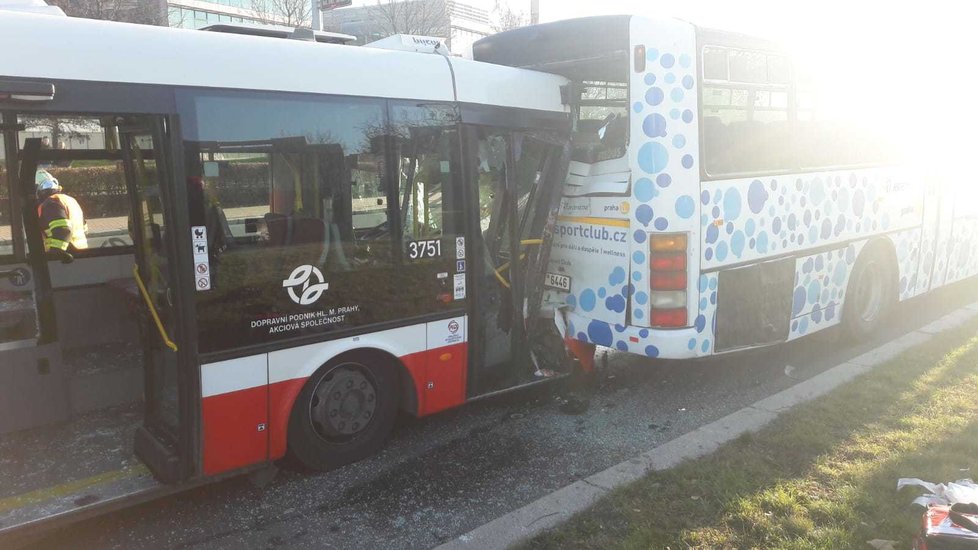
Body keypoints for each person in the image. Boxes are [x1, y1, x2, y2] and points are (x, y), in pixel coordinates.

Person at [35, 170, 87, 252]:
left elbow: (63, 230)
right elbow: (84, 228)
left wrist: (55, 255)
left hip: (66, 258)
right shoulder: (69, 200)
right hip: (82, 254)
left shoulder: (51, 203)